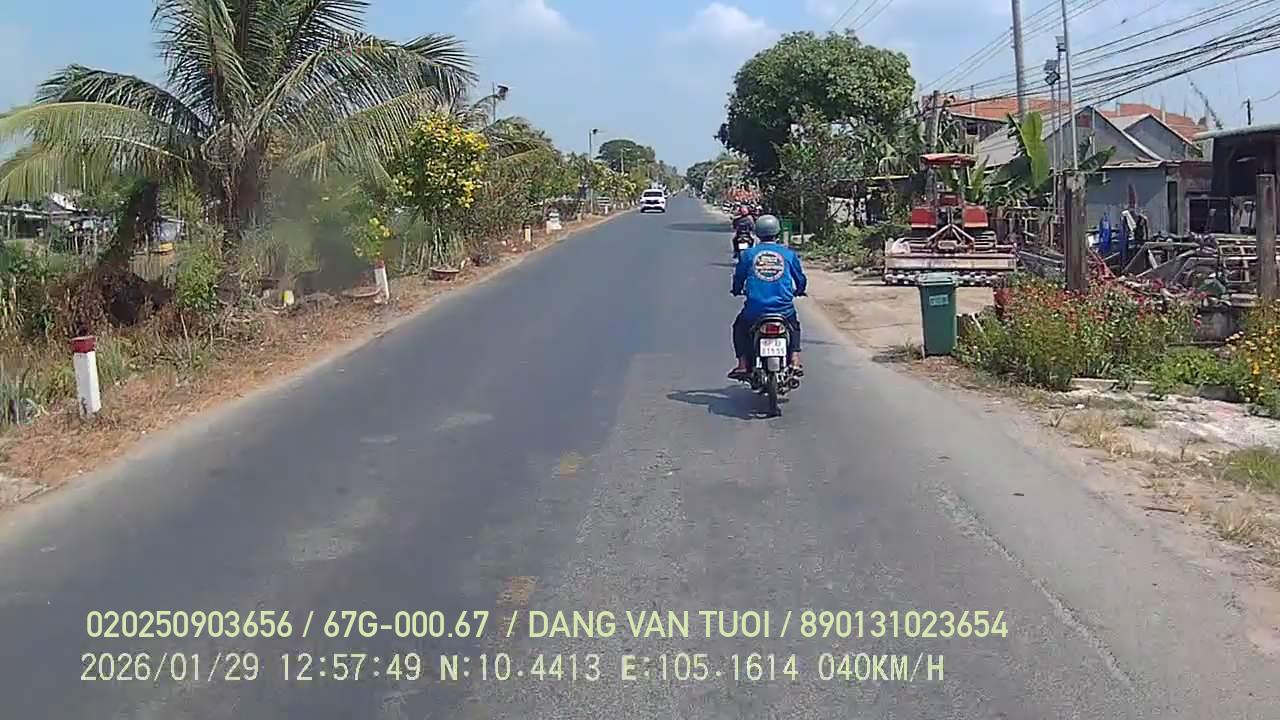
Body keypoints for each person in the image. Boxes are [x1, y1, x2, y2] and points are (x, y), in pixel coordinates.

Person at [729, 214, 807, 380]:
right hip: (783, 309)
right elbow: (800, 278)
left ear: (757, 233)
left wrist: (736, 290)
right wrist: (800, 290)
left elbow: (739, 278)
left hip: (755, 310)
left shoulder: (748, 254)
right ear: (777, 232)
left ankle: (742, 365)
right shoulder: (788, 254)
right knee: (794, 327)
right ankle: (795, 360)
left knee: (739, 328)